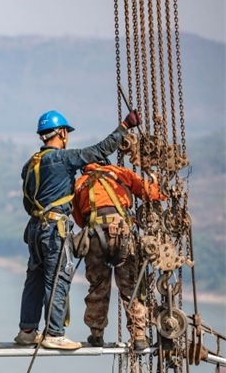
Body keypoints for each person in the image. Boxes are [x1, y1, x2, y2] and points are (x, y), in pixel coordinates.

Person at [16, 109, 141, 350]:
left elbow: (27, 202)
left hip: (34, 229)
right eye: (67, 134)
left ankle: (27, 330)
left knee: (35, 278)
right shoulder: (63, 158)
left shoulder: (30, 164)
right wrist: (124, 126)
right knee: (58, 277)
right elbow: (100, 150)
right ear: (62, 133)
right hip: (54, 229)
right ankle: (54, 333)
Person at [72, 162, 164, 350]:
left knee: (98, 285)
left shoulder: (80, 183)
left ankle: (96, 334)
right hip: (122, 234)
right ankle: (139, 336)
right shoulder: (121, 173)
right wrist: (156, 181)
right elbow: (152, 194)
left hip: (94, 235)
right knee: (130, 285)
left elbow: (79, 219)